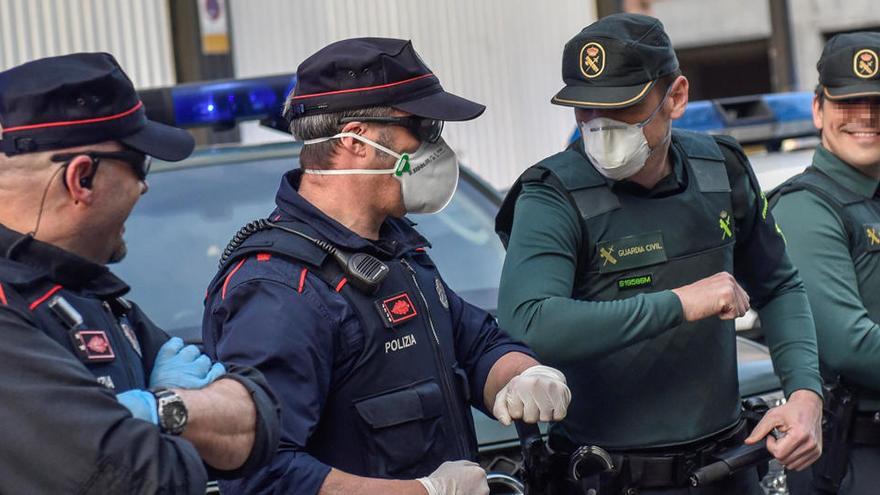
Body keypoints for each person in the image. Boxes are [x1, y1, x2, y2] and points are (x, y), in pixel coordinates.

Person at [202, 37, 571, 495]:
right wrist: (423, 493)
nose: (436, 145)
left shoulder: (395, 251)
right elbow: (263, 474)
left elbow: (474, 342)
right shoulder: (280, 289)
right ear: (356, 140)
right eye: (423, 126)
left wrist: (519, 374)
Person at [495, 13, 824, 495]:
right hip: (611, 477)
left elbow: (779, 286)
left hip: (729, 469)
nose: (598, 125)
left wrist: (805, 394)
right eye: (584, 109)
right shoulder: (553, 194)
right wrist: (681, 303)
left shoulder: (721, 168)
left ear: (676, 97)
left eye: (621, 109)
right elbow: (528, 321)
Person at [0, 52, 280, 493]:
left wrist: (162, 408)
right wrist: (185, 412)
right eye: (140, 164)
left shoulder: (94, 295)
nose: (145, 186)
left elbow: (257, 422)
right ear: (82, 179)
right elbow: (143, 477)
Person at [771, 32, 880, 495]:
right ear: (818, 110)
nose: (866, 117)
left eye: (877, 101)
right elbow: (847, 345)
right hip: (853, 459)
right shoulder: (805, 207)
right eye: (847, 102)